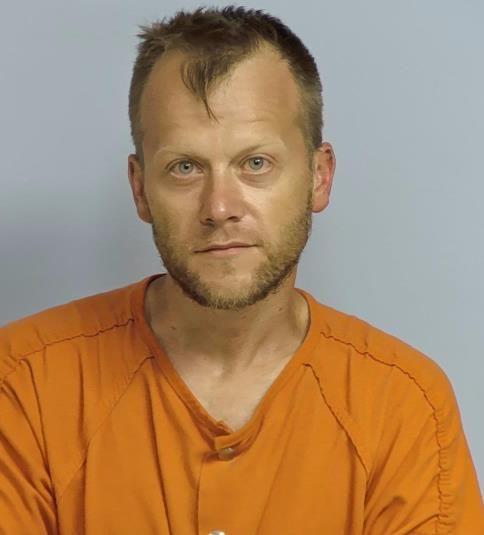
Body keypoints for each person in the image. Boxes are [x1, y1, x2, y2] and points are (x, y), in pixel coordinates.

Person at [0, 5, 482, 534]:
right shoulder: (22, 383)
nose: (220, 207)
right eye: (185, 167)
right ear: (140, 189)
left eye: (255, 163)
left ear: (318, 177)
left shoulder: (404, 404)